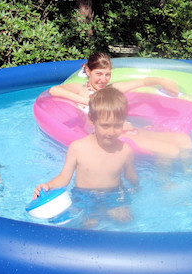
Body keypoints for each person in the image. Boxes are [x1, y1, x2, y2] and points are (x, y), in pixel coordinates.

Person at [48, 52, 192, 159]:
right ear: (88, 71)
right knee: (170, 150)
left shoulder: (111, 89)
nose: (103, 80)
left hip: (130, 130)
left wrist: (161, 81)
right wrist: (88, 101)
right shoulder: (81, 90)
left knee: (183, 139)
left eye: (107, 75)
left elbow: (143, 82)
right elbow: (54, 90)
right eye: (99, 74)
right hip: (112, 137)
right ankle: (167, 184)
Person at [34, 88, 139, 224]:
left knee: (125, 221)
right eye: (105, 126)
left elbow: (130, 176)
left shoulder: (125, 150)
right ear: (91, 119)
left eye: (117, 126)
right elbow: (64, 178)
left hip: (114, 194)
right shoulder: (78, 148)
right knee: (90, 225)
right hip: (84, 196)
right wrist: (47, 186)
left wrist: (136, 188)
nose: (111, 132)